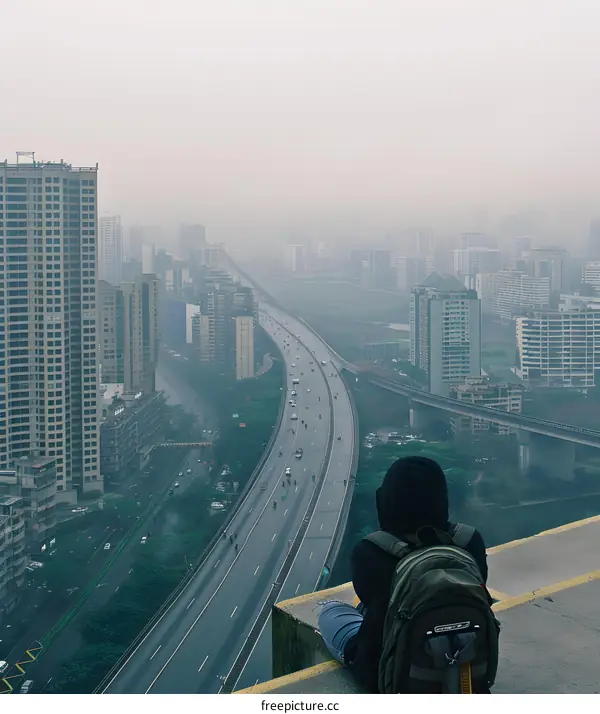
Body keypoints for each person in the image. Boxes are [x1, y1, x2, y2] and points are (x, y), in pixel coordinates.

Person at [317, 456, 488, 694]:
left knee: (331, 611)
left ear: (388, 498)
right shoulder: (470, 542)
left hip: (384, 671)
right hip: (466, 665)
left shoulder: (371, 551)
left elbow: (372, 601)